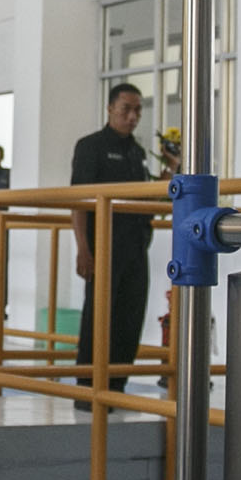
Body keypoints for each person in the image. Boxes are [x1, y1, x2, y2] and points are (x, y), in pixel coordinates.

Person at [69, 82, 155, 377]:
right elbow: (79, 201)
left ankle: (116, 389)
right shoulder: (91, 147)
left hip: (136, 248)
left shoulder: (138, 152)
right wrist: (83, 249)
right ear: (110, 109)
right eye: (126, 109)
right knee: (99, 318)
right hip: (103, 247)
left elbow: (148, 196)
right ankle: (88, 390)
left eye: (138, 111)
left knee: (130, 319)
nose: (132, 117)